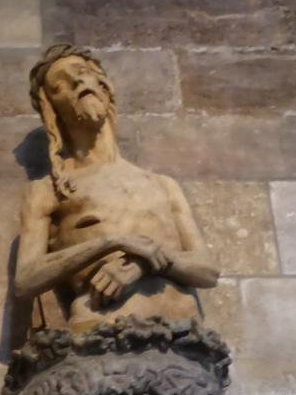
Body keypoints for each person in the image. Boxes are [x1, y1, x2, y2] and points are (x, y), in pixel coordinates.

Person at [14, 43, 219, 332]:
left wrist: (142, 264)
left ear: (104, 85)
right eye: (60, 84)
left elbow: (207, 270)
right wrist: (111, 243)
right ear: (52, 110)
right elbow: (26, 279)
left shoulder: (162, 184)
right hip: (100, 332)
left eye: (82, 71)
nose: (77, 81)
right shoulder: (49, 189)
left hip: (182, 331)